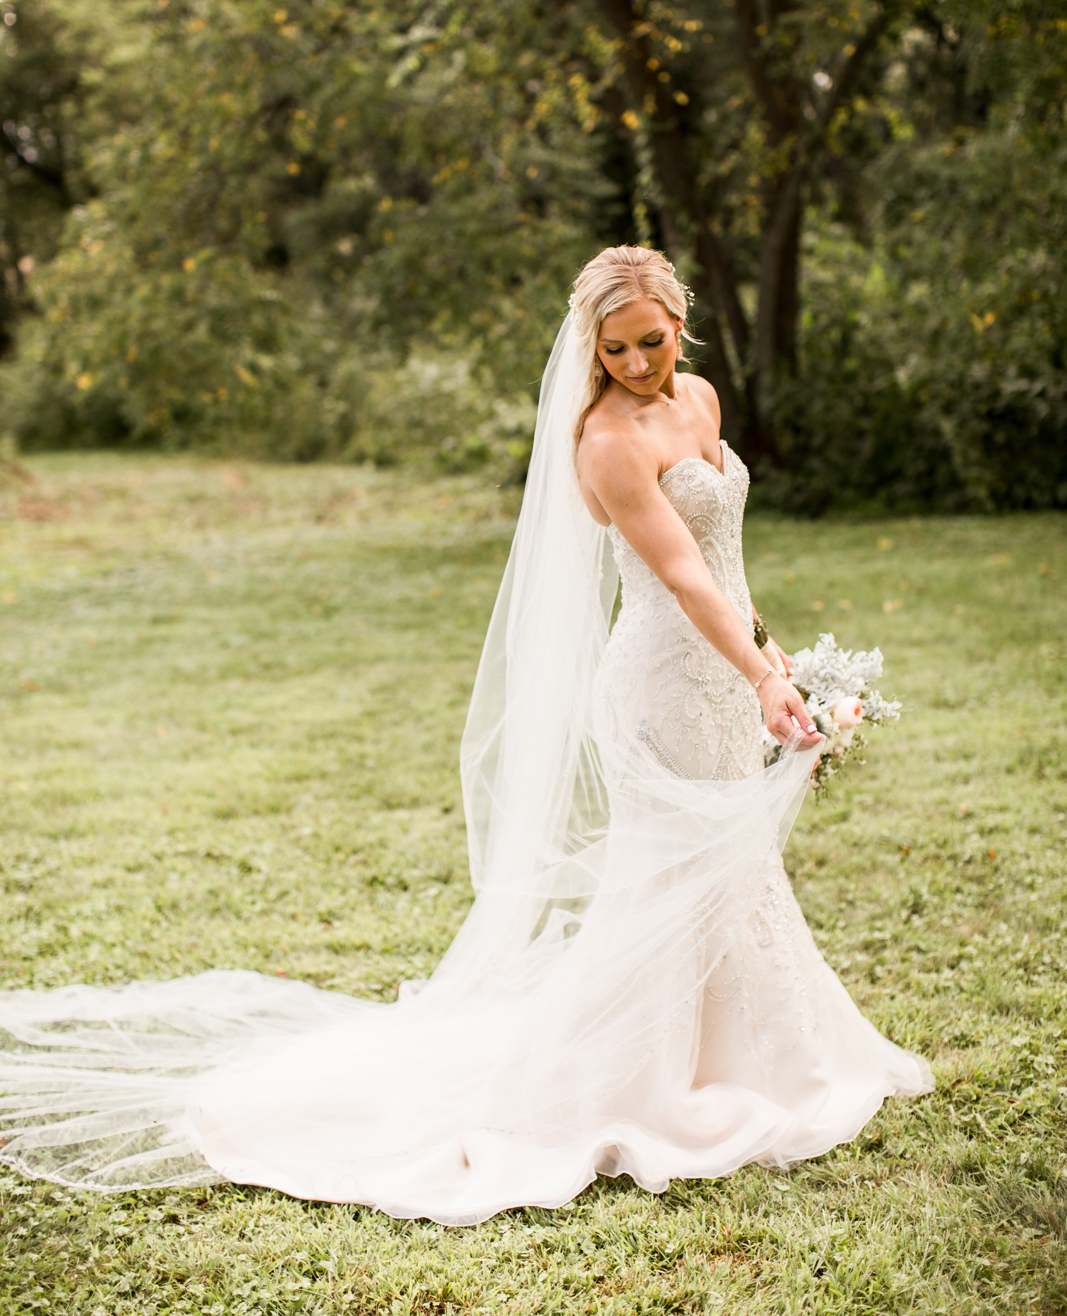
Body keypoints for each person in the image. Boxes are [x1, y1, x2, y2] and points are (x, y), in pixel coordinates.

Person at [0, 246, 931, 1225]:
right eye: (612, 350)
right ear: (592, 348)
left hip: (728, 663)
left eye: (649, 342)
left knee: (726, 871)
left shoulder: (696, 398)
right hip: (663, 680)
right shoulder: (605, 443)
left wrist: (771, 661)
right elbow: (682, 577)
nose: (634, 365)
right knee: (665, 878)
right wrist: (760, 676)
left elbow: (724, 559)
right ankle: (634, 1082)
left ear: (678, 324)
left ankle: (755, 1053)